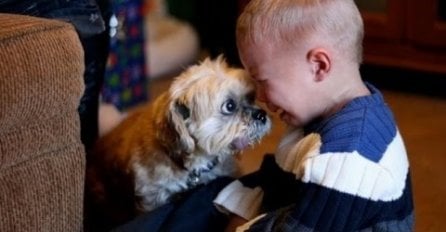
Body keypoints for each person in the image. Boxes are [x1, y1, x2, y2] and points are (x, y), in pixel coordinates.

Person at [213, 0, 415, 231]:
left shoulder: (348, 157)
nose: (259, 97)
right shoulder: (316, 111)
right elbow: (277, 182)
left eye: (262, 80)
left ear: (318, 66)